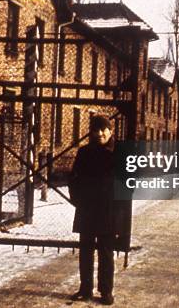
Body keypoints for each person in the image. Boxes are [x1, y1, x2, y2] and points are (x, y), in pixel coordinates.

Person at [68, 114, 116, 305]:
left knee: (106, 253)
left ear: (110, 131)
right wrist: (78, 200)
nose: (100, 133)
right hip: (87, 209)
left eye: (103, 129)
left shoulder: (119, 154)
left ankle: (106, 291)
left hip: (108, 210)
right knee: (85, 250)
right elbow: (73, 178)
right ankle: (85, 289)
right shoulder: (84, 152)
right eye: (96, 129)